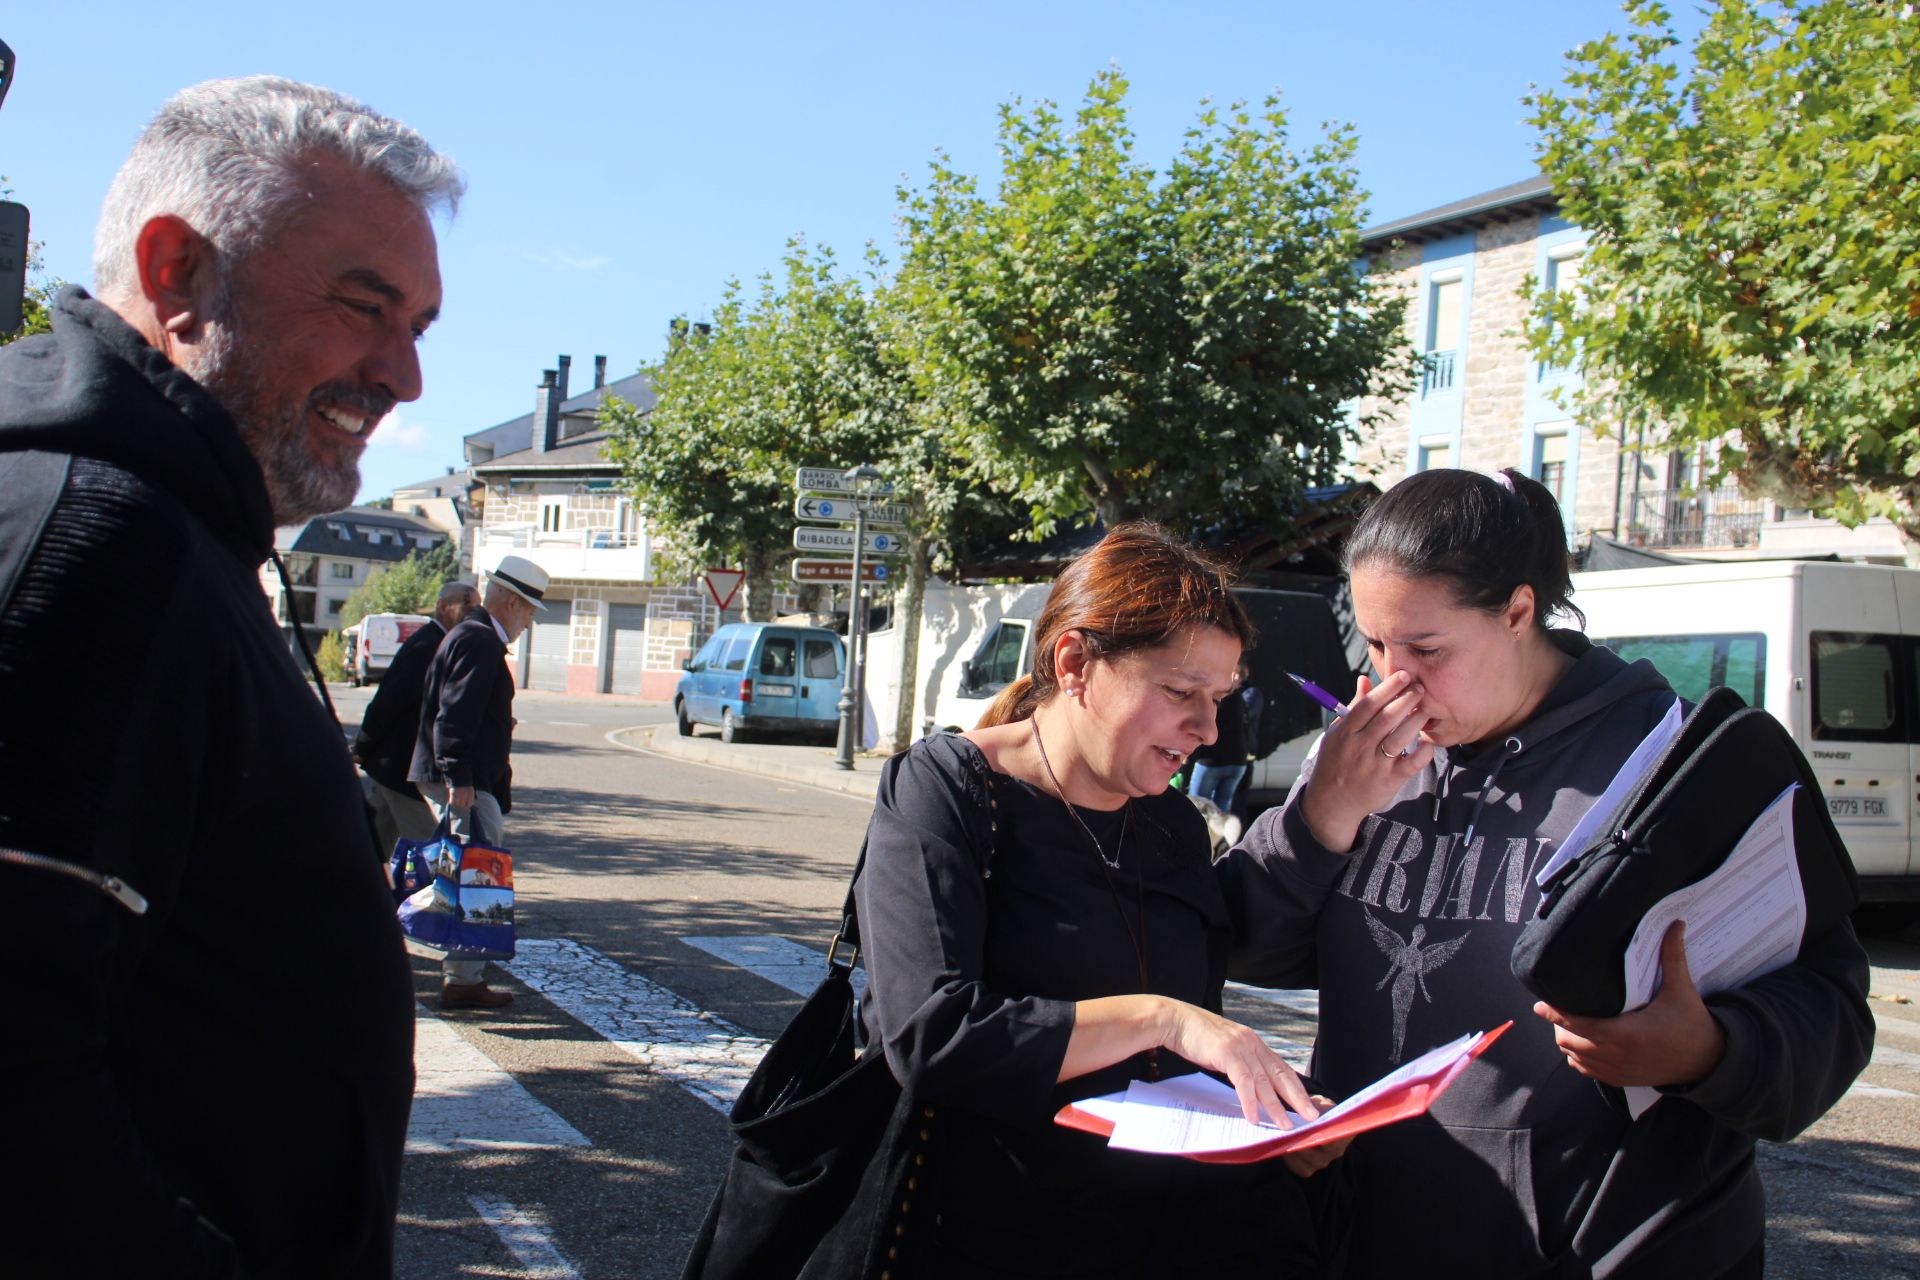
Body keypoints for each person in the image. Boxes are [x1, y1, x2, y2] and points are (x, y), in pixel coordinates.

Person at [0, 77, 460, 1276]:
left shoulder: (172, 528)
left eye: (418, 326)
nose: (403, 376)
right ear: (177, 274)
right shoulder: (97, 542)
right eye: (364, 306)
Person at [1218, 469, 1874, 1278]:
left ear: (1518, 611)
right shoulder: (1363, 752)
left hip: (1608, 1247)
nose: (1393, 682)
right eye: (1376, 646)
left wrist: (1708, 1049)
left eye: (1426, 649)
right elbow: (1251, 947)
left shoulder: (1674, 760)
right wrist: (1321, 818)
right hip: (1362, 1235)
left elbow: (1830, 1004)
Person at [853, 523, 1344, 1278]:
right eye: (1180, 692)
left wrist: (1277, 1114)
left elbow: (1193, 1037)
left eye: (1218, 698)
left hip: (1159, 1233)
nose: (1208, 730)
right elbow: (930, 1034)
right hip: (980, 1237)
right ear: (1075, 663)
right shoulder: (946, 790)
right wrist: (1163, 1017)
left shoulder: (1173, 823)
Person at [410, 554, 547, 1009]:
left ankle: (464, 976)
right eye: (528, 611)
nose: (528, 622)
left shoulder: (471, 635)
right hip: (464, 782)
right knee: (477, 876)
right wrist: (459, 777)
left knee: (470, 874)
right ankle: (463, 980)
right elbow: (454, 714)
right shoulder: (480, 640)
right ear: (511, 602)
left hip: (463, 777)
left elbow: (461, 709)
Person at [354, 579, 480, 856]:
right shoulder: (428, 645)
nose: (473, 614)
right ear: (442, 606)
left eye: (477, 608)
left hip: (394, 769)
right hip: (402, 770)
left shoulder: (441, 643)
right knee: (432, 855)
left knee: (369, 849)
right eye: (467, 607)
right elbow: (388, 700)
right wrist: (363, 744)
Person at [1187, 666, 1252, 811]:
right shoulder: (1239, 697)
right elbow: (1247, 727)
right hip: (1238, 758)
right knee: (1222, 806)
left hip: (1212, 758)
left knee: (1197, 805)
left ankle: (1199, 827)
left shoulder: (1214, 695)